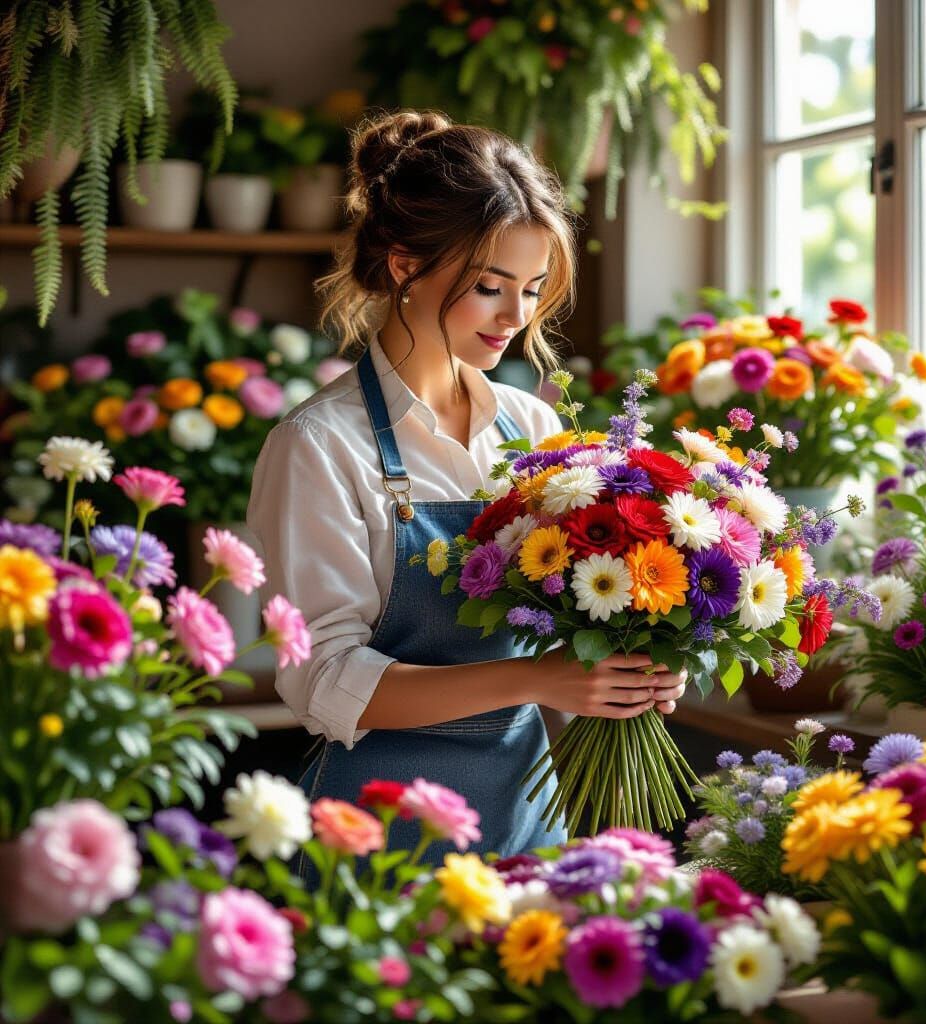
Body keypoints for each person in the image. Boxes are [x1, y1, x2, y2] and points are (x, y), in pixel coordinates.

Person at [247, 110, 686, 863]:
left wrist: (628, 663)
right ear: (403, 266)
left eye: (533, 288)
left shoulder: (528, 426)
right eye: (490, 287)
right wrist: (540, 678)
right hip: (377, 839)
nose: (516, 317)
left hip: (526, 819)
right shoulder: (318, 446)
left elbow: (575, 617)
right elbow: (323, 680)